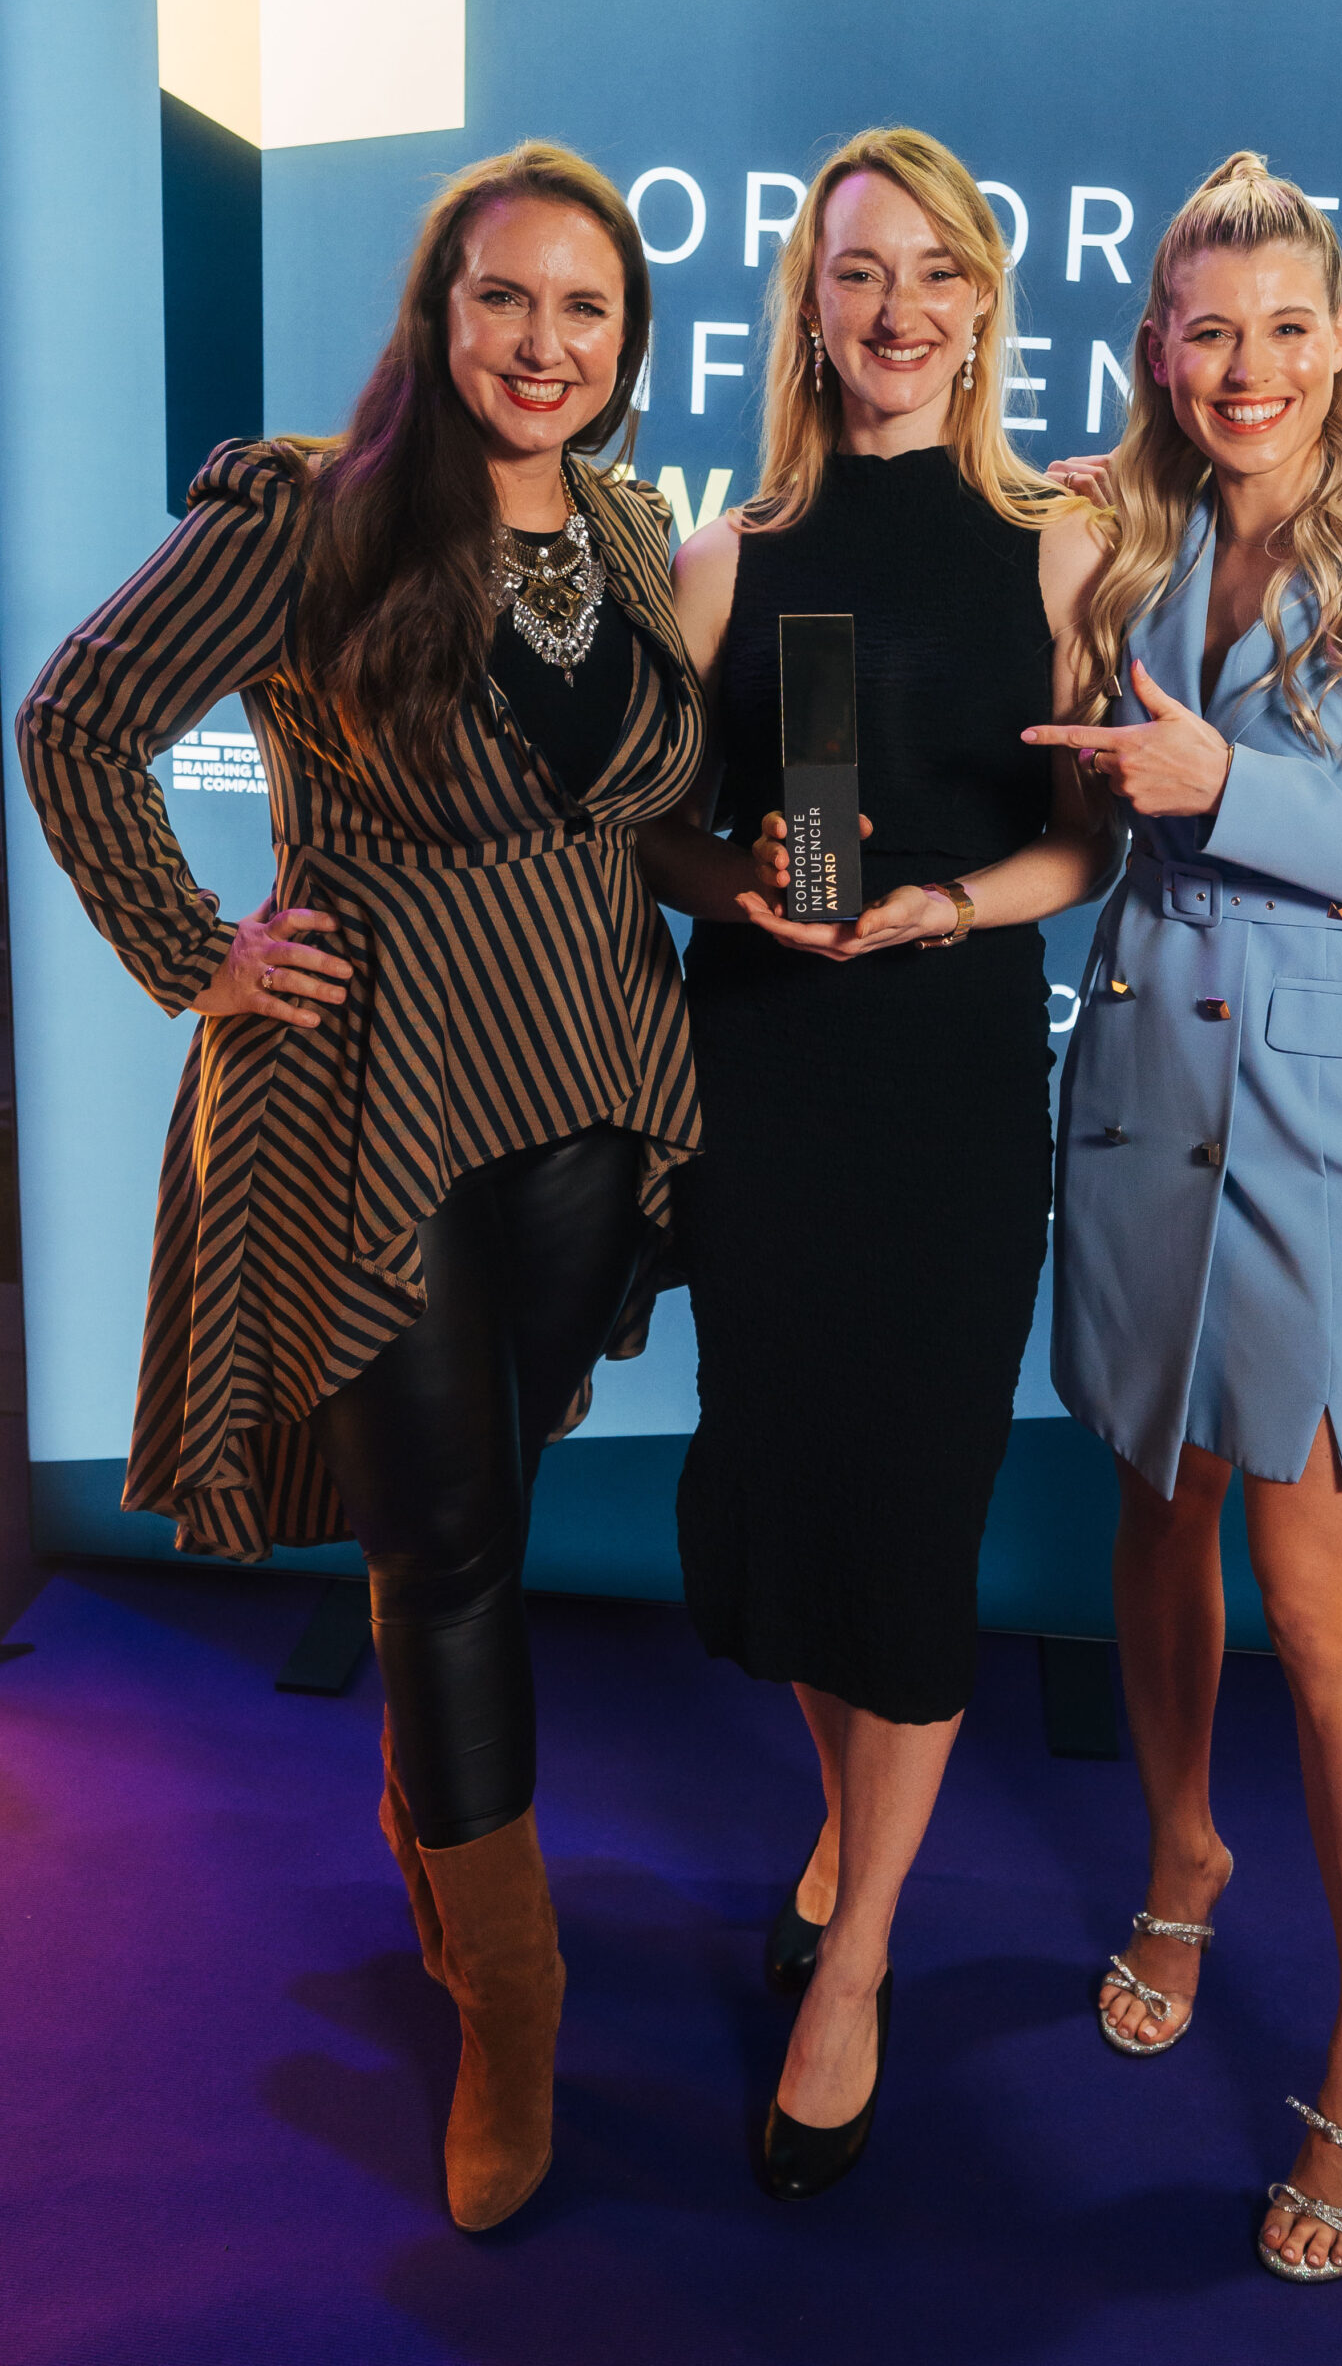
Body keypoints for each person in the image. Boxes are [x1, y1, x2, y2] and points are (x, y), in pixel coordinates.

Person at [17, 142, 704, 2232]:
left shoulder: (623, 527)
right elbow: (76, 717)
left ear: (625, 344)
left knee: (479, 1507)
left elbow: (624, 804)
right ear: (436, 311)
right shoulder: (311, 515)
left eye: (584, 309)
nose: (542, 344)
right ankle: (514, 2000)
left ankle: (438, 1843)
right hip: (375, 1098)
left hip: (589, 1081)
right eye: (504, 298)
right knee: (451, 1540)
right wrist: (193, 948)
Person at [1032, 152, 1342, 2281]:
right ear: (1159, 346)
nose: (1246, 368)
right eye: (1205, 331)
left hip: (1333, 1126)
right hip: (1144, 1082)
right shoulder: (1116, 531)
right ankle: (1179, 1856)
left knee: (1326, 1613)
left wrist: (1228, 786)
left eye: (1284, 329)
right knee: (1153, 1512)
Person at [639, 127, 1114, 2199]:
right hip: (762, 1079)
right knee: (796, 1485)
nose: (897, 308)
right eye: (857, 272)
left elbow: (1083, 848)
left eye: (933, 271)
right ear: (808, 308)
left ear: (984, 301)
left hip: (945, 1084)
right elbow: (657, 835)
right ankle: (842, 1831)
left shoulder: (1058, 550)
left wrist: (948, 906)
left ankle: (859, 1962)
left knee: (910, 1515)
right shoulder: (724, 555)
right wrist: (740, 878)